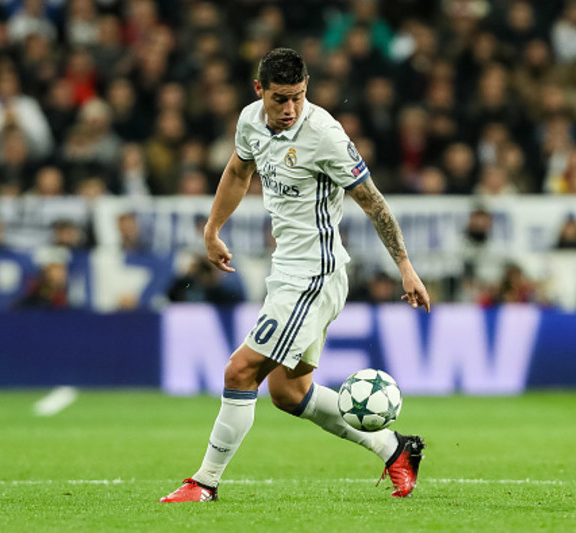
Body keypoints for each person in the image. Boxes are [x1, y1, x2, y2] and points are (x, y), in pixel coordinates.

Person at [160, 48, 431, 504]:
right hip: (287, 271)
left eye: (299, 97)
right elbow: (237, 170)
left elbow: (372, 201)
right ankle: (395, 448)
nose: (290, 109)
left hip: (315, 275)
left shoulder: (324, 134)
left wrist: (404, 266)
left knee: (240, 370)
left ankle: (204, 482)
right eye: (281, 98)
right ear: (259, 90)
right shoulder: (250, 121)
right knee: (289, 392)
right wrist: (212, 229)